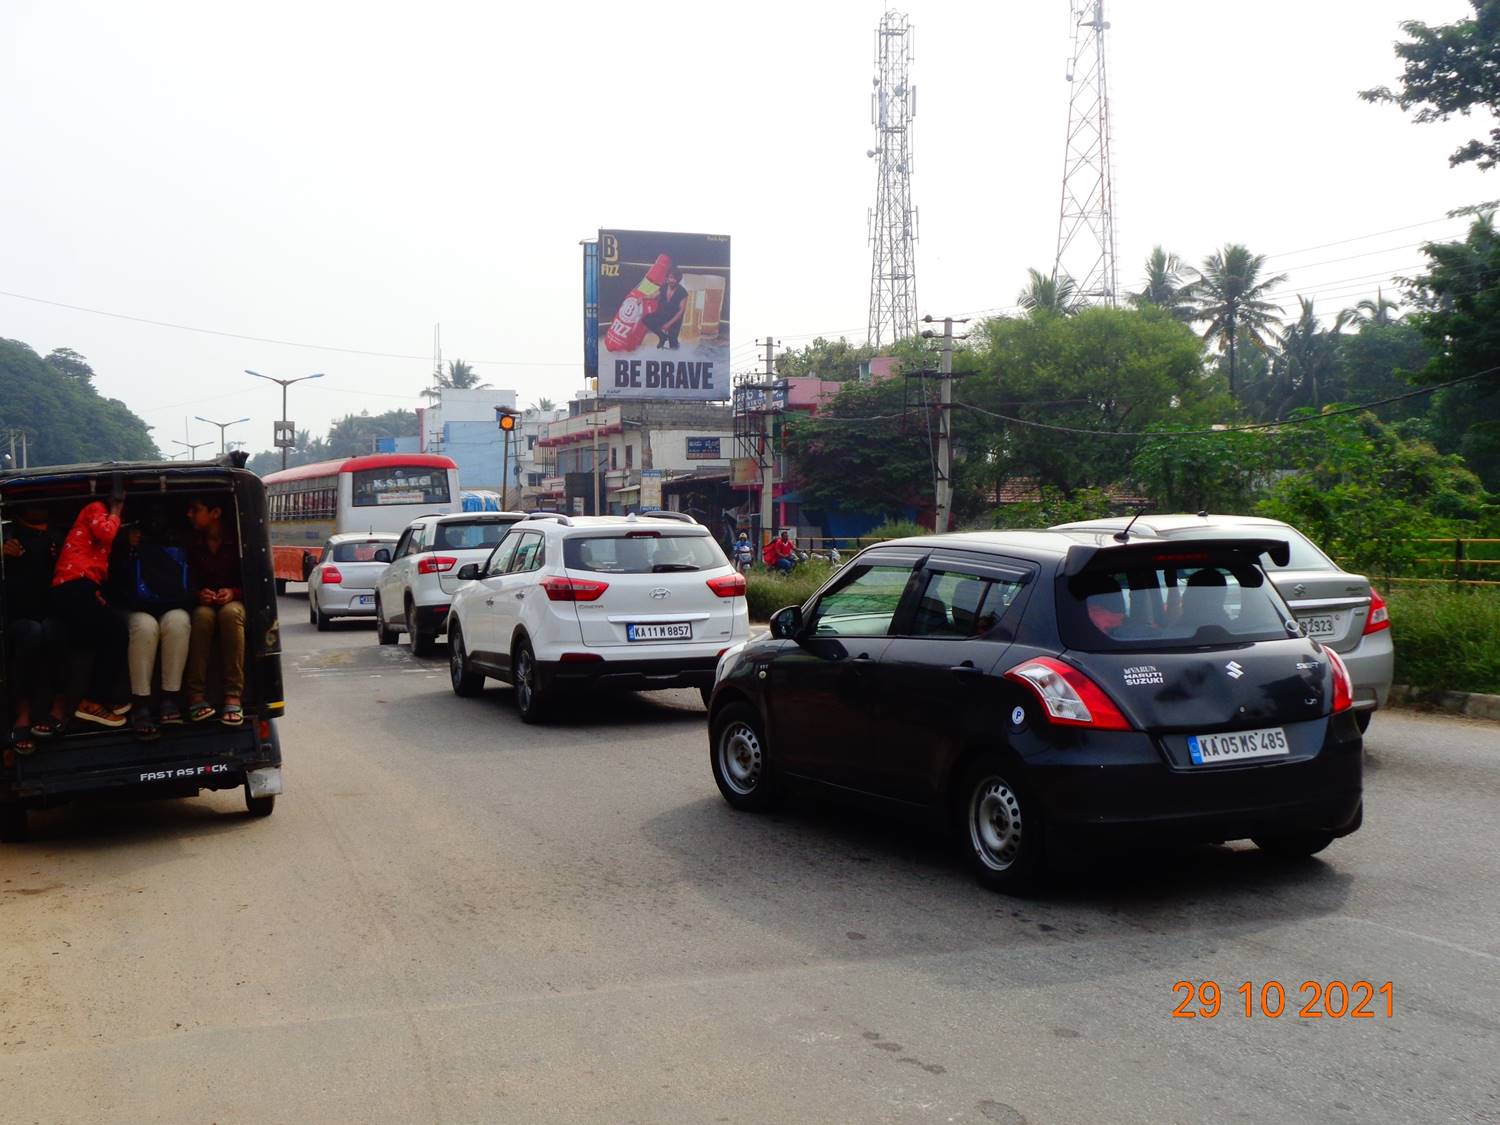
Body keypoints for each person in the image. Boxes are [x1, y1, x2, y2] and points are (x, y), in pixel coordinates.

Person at [107, 517, 193, 739]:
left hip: (170, 603)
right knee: (144, 627)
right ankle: (141, 702)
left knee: (178, 622)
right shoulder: (121, 543)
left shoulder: (177, 537)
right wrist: (126, 548)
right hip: (135, 605)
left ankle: (170, 698)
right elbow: (114, 585)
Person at [50, 497, 130, 728]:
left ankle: (101, 698)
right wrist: (115, 511)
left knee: (106, 634)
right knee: (117, 632)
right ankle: (92, 702)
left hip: (81, 587)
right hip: (74, 585)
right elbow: (105, 534)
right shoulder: (97, 508)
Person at [3, 506, 68, 751]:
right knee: (30, 633)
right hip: (17, 617)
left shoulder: (60, 536)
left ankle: (59, 708)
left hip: (54, 613)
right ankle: (22, 712)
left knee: (55, 629)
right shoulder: (8, 532)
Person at [184, 496, 246, 727]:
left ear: (215, 513)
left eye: (195, 509)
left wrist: (233, 592)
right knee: (201, 617)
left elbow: (254, 581)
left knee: (230, 614)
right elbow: (185, 583)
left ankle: (233, 695)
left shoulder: (239, 540)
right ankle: (196, 696)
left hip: (235, 602)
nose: (189, 515)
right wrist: (199, 594)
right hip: (205, 605)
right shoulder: (191, 542)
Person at [644, 266, 688, 350]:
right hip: (663, 314)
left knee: (673, 344)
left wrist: (669, 324)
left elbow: (680, 312)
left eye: (674, 278)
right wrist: (642, 298)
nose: (671, 280)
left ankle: (675, 354)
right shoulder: (664, 286)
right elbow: (653, 296)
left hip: (675, 320)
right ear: (667, 278)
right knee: (647, 319)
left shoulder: (683, 292)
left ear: (678, 280)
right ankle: (662, 337)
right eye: (670, 277)